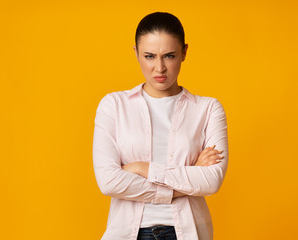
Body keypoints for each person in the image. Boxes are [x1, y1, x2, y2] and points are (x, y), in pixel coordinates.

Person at [93, 12, 229, 240]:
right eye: (149, 56)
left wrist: (142, 168)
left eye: (169, 56)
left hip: (187, 232)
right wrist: (188, 177)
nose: (159, 68)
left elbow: (211, 181)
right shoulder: (113, 106)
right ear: (136, 53)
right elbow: (109, 182)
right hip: (127, 233)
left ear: (184, 52)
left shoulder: (208, 109)